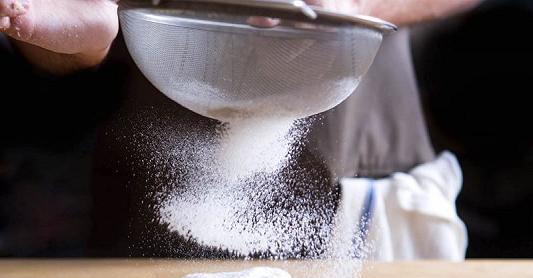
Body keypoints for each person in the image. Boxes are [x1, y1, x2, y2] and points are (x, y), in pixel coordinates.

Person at [0, 0, 481, 258]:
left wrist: (358, 3)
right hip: (168, 171)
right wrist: (64, 35)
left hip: (361, 145)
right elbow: (65, 46)